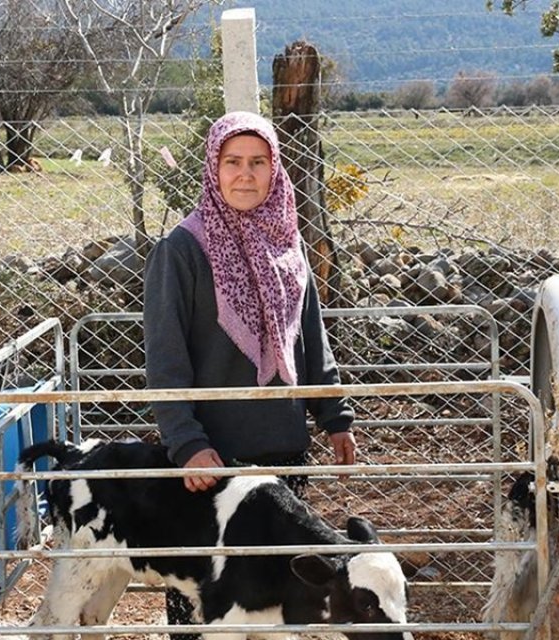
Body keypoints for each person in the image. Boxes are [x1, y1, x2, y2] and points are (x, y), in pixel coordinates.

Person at [142, 111, 357, 639]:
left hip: (283, 450)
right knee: (205, 598)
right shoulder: (182, 250)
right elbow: (165, 358)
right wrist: (185, 442)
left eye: (258, 162)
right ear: (212, 169)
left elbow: (310, 337)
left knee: (279, 592)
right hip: (209, 462)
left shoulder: (289, 241)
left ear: (275, 169)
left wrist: (333, 414)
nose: (245, 174)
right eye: (232, 162)